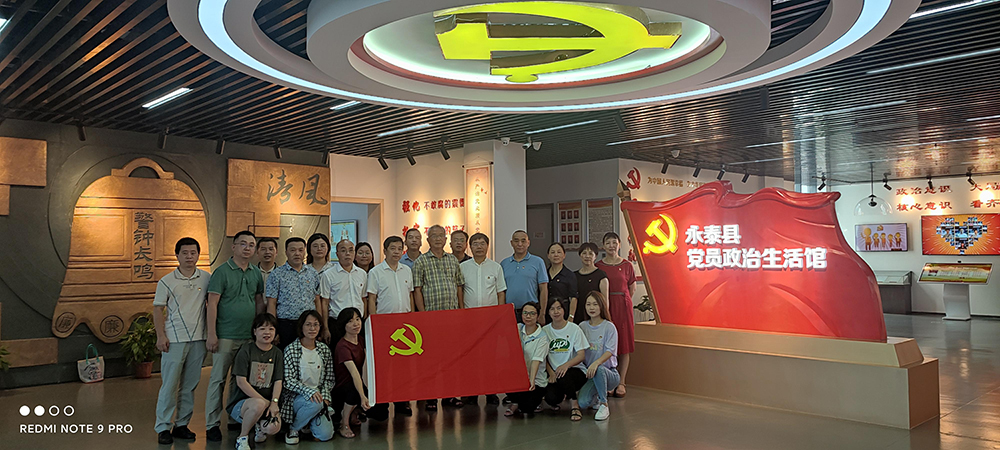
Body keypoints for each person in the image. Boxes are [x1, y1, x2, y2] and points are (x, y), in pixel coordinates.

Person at [205, 230, 266, 442]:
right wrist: (211, 333)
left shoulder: (255, 273)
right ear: (234, 247)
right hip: (225, 335)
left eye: (251, 245)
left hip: (248, 336)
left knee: (240, 379)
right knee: (218, 379)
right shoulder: (221, 272)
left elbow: (258, 302)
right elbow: (212, 304)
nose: (247, 248)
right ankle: (212, 424)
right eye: (243, 244)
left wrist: (258, 332)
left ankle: (234, 417)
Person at [153, 237, 209, 445]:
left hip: (199, 339)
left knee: (190, 385)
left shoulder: (206, 278)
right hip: (174, 339)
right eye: (184, 253)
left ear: (198, 255)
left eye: (193, 253)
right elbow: (158, 309)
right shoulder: (166, 281)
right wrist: (161, 336)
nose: (189, 257)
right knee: (169, 385)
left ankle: (182, 424)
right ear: (177, 255)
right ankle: (163, 427)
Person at [413, 224, 465, 410]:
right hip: (431, 318)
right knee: (431, 360)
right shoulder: (421, 261)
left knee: (451, 358)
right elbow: (417, 290)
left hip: (451, 317)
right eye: (433, 236)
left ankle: (450, 395)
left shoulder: (453, 260)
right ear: (428, 240)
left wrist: (461, 310)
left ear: (445, 239)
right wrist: (423, 315)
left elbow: (459, 286)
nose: (437, 239)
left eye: (441, 235)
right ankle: (431, 397)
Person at [366, 236, 416, 416]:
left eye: (399, 248)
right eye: (392, 248)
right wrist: (374, 322)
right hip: (384, 325)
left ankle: (402, 402)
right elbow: (372, 299)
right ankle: (382, 404)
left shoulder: (406, 270)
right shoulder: (376, 272)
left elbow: (410, 296)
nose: (396, 252)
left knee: (403, 367)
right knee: (384, 367)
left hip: (404, 324)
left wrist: (412, 318)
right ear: (385, 251)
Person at [459, 232, 507, 405]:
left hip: (490, 321)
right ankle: (471, 393)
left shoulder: (496, 267)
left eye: (482, 243)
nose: (479, 247)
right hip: (469, 320)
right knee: (470, 357)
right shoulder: (463, 267)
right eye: (475, 244)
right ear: (470, 247)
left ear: (488, 246)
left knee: (490, 357)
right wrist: (461, 313)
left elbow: (500, 292)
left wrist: (499, 316)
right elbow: (460, 291)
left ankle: (490, 392)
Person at [226, 313, 283, 450]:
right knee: (258, 404)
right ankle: (242, 438)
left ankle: (259, 427)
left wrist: (274, 403)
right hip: (242, 404)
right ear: (255, 331)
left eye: (271, 329)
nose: (267, 332)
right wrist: (265, 402)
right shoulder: (246, 351)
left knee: (273, 427)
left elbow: (278, 381)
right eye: (262, 329)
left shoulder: (277, 353)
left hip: (266, 404)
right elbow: (241, 382)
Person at [280, 310, 335, 444]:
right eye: (308, 324)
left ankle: (307, 422)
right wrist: (310, 392)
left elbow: (329, 379)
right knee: (315, 403)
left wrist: (325, 396)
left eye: (316, 325)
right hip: (296, 398)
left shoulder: (324, 350)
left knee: (326, 435)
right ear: (301, 327)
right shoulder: (291, 349)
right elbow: (288, 381)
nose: (312, 328)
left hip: (319, 398)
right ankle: (293, 429)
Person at [595, 232, 636, 398]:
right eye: (608, 243)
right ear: (603, 246)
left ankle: (621, 382)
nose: (611, 246)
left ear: (619, 245)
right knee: (606, 344)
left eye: (614, 242)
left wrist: (623, 302)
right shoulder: (598, 266)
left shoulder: (627, 265)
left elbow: (632, 288)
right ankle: (609, 381)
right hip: (605, 307)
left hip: (623, 308)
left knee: (624, 344)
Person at [265, 237, 320, 350]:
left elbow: (317, 300)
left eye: (300, 250)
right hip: (286, 325)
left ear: (305, 252)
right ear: (286, 252)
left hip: (309, 325)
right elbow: (271, 303)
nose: (297, 253)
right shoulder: (277, 274)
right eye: (293, 250)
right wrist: (273, 328)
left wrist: (320, 325)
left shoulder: (313, 273)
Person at [543, 298, 589, 422]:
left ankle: (574, 405)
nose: (556, 312)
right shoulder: (545, 331)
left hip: (575, 371)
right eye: (552, 309)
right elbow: (543, 357)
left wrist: (566, 365)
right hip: (555, 373)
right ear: (548, 312)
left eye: (559, 308)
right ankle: (564, 392)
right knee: (551, 398)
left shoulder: (574, 329)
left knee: (564, 375)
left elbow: (581, 355)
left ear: (564, 310)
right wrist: (551, 372)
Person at [576, 292, 620, 421]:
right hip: (590, 374)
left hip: (609, 373)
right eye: (588, 304)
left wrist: (596, 363)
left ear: (601, 306)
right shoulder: (582, 326)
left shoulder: (609, 327)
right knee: (583, 403)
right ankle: (595, 396)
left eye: (595, 304)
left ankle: (604, 404)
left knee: (599, 368)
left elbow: (610, 351)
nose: (592, 308)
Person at [503, 302, 549, 418]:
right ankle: (514, 402)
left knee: (526, 409)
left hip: (536, 380)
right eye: (525, 313)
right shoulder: (518, 328)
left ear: (537, 316)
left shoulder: (542, 337)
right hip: (519, 376)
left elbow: (536, 361)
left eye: (532, 313)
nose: (528, 316)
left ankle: (536, 401)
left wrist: (531, 380)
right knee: (503, 375)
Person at [318, 240, 368, 342]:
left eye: (351, 250)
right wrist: (325, 328)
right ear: (337, 254)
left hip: (358, 323)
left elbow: (363, 298)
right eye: (343, 251)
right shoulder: (328, 275)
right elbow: (325, 303)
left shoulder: (362, 274)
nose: (347, 254)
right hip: (337, 323)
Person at [330, 307, 369, 438]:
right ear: (343, 325)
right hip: (343, 387)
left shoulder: (362, 340)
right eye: (350, 321)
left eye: (357, 319)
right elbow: (354, 373)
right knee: (355, 390)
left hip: (358, 381)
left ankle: (354, 412)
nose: (356, 324)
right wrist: (363, 396)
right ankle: (344, 423)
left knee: (380, 409)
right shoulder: (342, 346)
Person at [501, 230, 548, 324]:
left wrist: (542, 313)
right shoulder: (504, 263)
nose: (520, 244)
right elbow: (501, 291)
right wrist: (501, 312)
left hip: (531, 312)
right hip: (510, 312)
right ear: (511, 243)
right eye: (516, 241)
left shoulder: (538, 262)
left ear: (528, 243)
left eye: (523, 241)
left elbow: (543, 289)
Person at [574, 243, 609, 324]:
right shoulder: (574, 276)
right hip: (578, 315)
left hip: (595, 317)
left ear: (595, 256)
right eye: (584, 253)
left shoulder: (601, 275)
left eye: (590, 253)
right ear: (580, 255)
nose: (587, 256)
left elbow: (605, 301)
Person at [546, 242, 578, 324]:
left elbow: (573, 297)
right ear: (548, 256)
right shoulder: (544, 274)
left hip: (563, 313)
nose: (556, 255)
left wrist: (571, 316)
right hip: (547, 313)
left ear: (564, 255)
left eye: (559, 252)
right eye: (553, 252)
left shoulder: (570, 275)